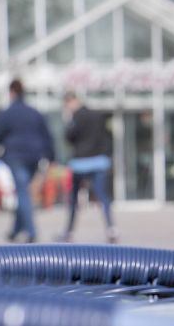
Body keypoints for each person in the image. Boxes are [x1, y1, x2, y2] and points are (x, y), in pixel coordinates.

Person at [0, 80, 55, 243]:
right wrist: (51, 156)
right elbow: (47, 136)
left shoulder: (7, 113)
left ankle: (30, 231)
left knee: (23, 192)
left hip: (16, 157)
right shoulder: (34, 113)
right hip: (34, 157)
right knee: (23, 191)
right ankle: (15, 230)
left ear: (11, 93)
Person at [57, 93, 117, 244]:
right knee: (103, 196)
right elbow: (107, 136)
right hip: (99, 161)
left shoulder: (76, 117)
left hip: (81, 163)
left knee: (74, 198)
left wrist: (68, 121)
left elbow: (68, 137)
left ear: (70, 102)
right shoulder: (97, 116)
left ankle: (69, 231)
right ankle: (111, 228)